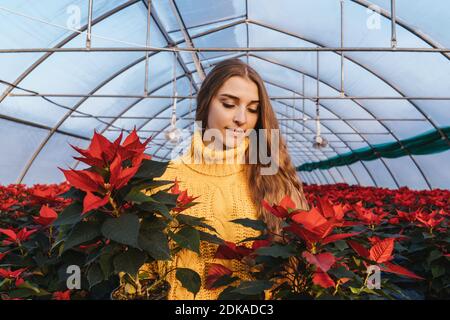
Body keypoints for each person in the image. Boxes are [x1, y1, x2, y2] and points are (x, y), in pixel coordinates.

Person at [144, 58, 309, 300]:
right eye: (229, 104)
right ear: (205, 104)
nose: (242, 118)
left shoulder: (273, 180)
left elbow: (292, 276)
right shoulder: (162, 180)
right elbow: (143, 276)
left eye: (253, 109)